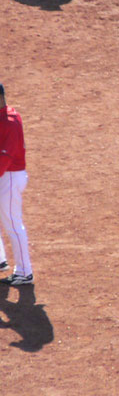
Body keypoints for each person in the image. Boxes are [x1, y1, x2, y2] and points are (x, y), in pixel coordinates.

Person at [0, 82, 33, 285]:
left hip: (10, 177)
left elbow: (6, 158)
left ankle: (24, 272)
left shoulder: (10, 121)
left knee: (13, 224)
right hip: (5, 175)